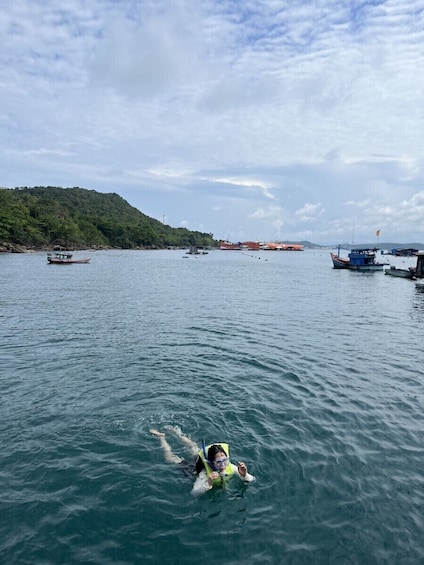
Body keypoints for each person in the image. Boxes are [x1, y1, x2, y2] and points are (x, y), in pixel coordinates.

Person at [150, 427, 255, 496]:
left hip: (203, 458)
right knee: (171, 458)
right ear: (211, 462)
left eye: (225, 460)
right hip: (192, 467)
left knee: (192, 446)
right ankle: (162, 437)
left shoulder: (229, 466)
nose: (223, 465)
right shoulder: (204, 474)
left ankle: (176, 432)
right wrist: (208, 482)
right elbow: (194, 493)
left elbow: (252, 480)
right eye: (219, 462)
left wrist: (244, 475)